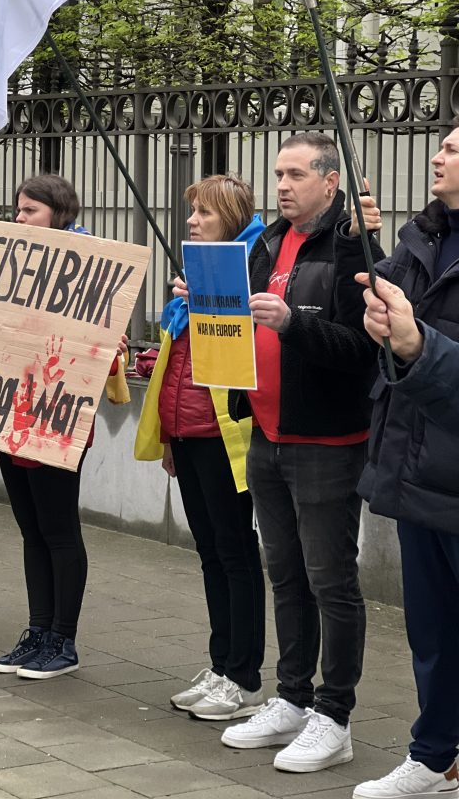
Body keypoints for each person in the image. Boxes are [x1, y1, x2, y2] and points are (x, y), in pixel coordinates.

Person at [220, 132, 382, 772]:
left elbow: (363, 350)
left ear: (330, 181)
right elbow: (245, 321)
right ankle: (291, 697)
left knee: (330, 582)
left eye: (295, 174)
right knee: (284, 575)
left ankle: (334, 715)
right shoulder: (265, 245)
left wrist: (294, 323)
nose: (282, 185)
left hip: (327, 442)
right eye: (278, 174)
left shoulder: (353, 249)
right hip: (267, 434)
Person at [334, 120, 459, 799]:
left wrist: (416, 344)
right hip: (417, 472)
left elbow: (416, 341)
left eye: (453, 148)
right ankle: (434, 756)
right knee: (433, 635)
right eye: (438, 146)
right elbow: (371, 298)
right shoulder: (422, 238)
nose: (438, 155)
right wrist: (361, 243)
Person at [135, 174, 267, 720]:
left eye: (204, 214)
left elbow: (245, 353)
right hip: (187, 435)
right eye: (192, 213)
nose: (192, 222)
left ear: (232, 219)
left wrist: (214, 303)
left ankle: (244, 677)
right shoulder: (196, 277)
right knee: (210, 552)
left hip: (223, 437)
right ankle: (220, 664)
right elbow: (175, 367)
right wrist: (168, 434)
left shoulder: (247, 272)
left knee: (236, 553)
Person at [0, 174, 126, 681]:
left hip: (57, 416)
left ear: (59, 214)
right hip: (10, 411)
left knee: (58, 528)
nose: (20, 220)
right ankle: (37, 631)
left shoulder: (92, 268)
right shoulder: (13, 266)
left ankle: (63, 641)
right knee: (30, 530)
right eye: (18, 211)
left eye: (31, 212)